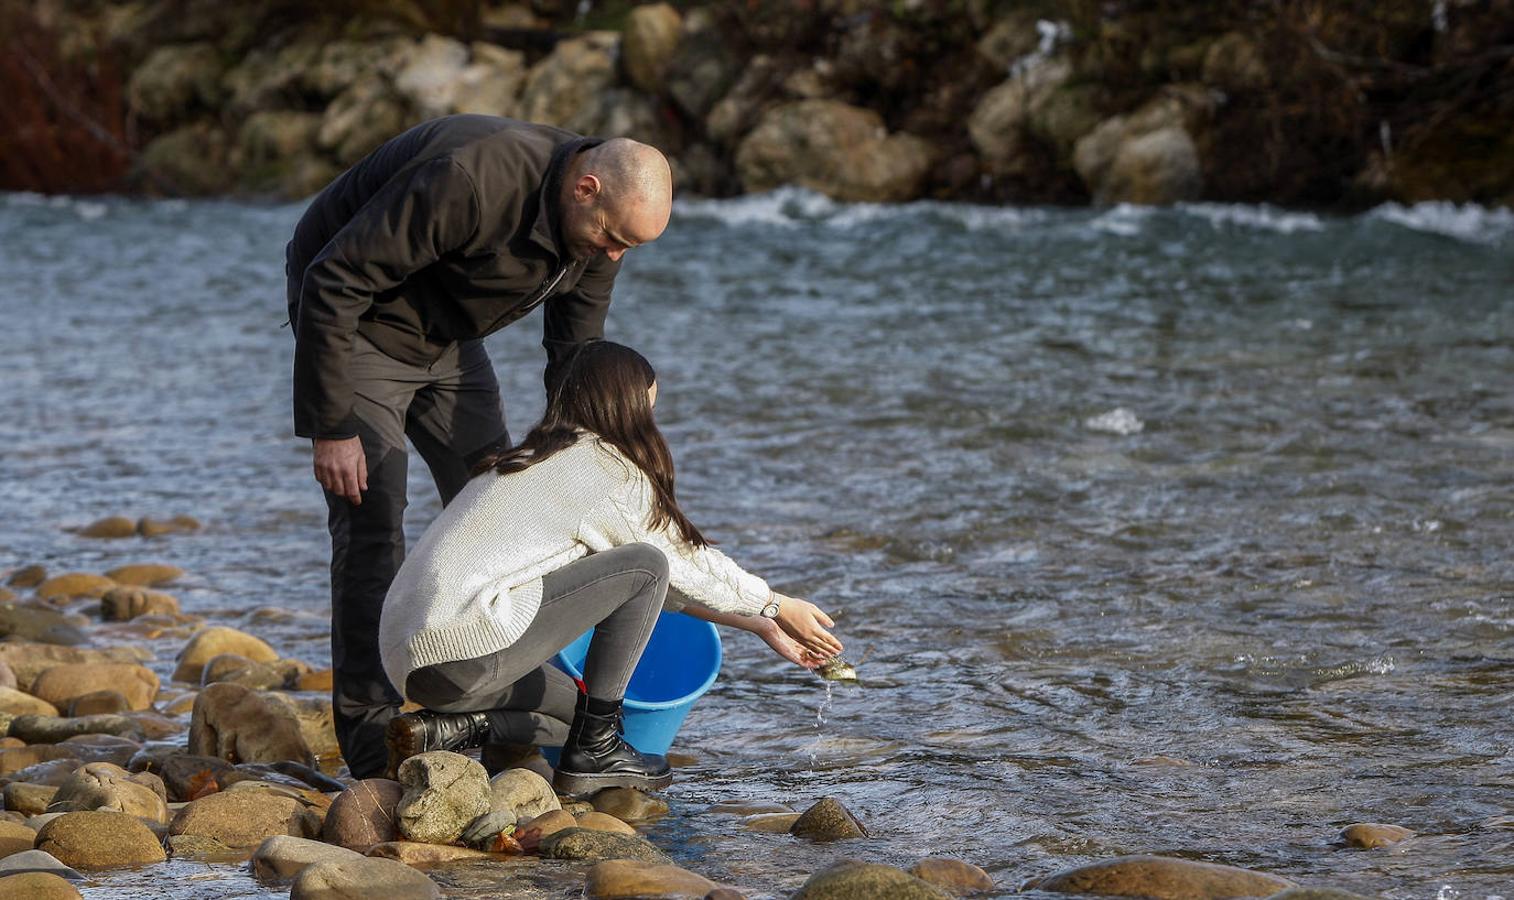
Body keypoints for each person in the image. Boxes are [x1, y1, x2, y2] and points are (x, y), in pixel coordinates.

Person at [284, 114, 674, 779]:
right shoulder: (471, 177)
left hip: (449, 342)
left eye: (628, 247)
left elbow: (573, 356)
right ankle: (372, 743)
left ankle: (486, 693)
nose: (613, 256)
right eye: (611, 238)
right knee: (373, 525)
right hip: (359, 325)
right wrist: (331, 425)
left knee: (506, 504)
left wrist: (594, 461)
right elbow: (333, 279)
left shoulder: (602, 234)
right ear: (585, 187)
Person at [378, 341, 843, 796]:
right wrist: (778, 603)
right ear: (629, 403)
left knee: (581, 718)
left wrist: (760, 623)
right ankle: (595, 752)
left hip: (417, 664)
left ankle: (447, 732)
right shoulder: (602, 468)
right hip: (464, 653)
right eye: (650, 406)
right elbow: (672, 565)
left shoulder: (531, 460)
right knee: (646, 563)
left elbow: (661, 587)